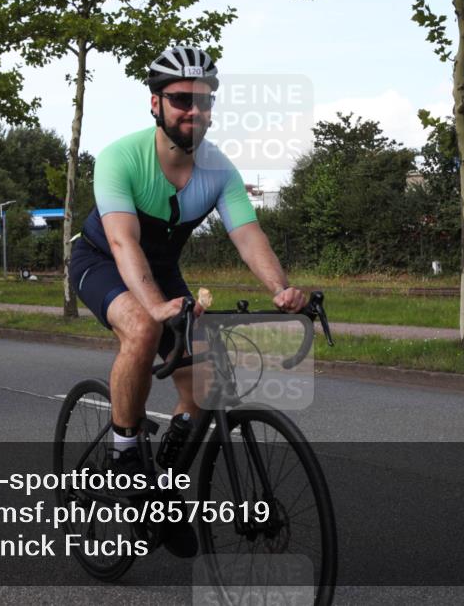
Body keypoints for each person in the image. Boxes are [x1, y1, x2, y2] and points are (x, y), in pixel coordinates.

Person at [68, 46, 307, 554]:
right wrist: (155, 308)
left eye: (203, 101)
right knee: (143, 327)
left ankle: (161, 494)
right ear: (155, 104)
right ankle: (125, 453)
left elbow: (247, 235)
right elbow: (122, 243)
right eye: (180, 100)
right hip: (101, 260)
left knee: (207, 382)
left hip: (160, 270)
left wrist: (280, 289)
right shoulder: (120, 157)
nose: (193, 111)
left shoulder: (219, 170)